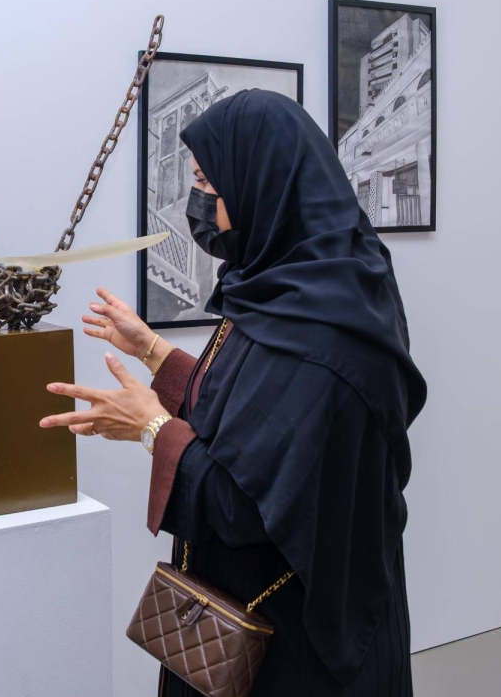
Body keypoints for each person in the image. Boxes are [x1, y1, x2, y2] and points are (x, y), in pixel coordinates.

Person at [40, 89, 426, 695]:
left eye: (206, 182)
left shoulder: (321, 330)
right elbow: (255, 412)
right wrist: (154, 352)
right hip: (268, 604)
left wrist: (150, 428)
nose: (196, 202)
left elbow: (245, 503)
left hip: (295, 640)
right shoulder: (303, 285)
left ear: (259, 184)